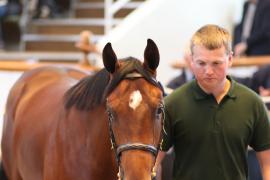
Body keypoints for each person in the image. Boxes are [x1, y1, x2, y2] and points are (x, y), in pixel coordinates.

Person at [154, 24, 270, 180]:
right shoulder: (172, 104)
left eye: (216, 63)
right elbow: (153, 163)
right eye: (201, 63)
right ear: (191, 61)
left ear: (230, 59)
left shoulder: (252, 103)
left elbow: (267, 164)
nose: (208, 71)